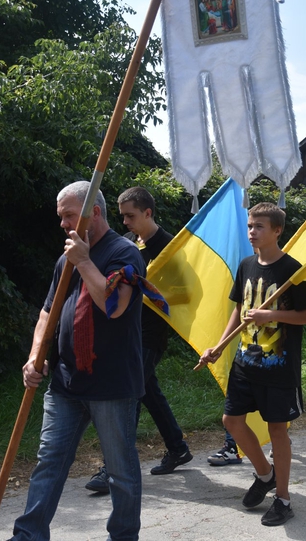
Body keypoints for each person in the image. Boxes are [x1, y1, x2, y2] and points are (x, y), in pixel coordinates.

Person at [9, 181, 153, 541]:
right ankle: (29, 535)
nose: (62, 224)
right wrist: (34, 356)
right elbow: (47, 313)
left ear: (95, 213)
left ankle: (122, 537)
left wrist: (85, 261)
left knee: (120, 470)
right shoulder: (66, 258)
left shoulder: (123, 254)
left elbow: (114, 306)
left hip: (112, 383)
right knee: (49, 462)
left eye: (69, 215)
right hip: (65, 380)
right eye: (61, 216)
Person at [199, 202, 306, 526]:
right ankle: (265, 475)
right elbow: (240, 309)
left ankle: (283, 499)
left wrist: (272, 315)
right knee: (232, 421)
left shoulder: (293, 272)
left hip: (279, 367)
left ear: (277, 231)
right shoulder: (246, 264)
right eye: (250, 226)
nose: (252, 232)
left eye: (259, 227)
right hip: (244, 362)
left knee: (277, 430)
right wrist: (219, 345)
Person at [83, 187, 192, 494]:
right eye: (122, 217)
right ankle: (178, 447)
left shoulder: (170, 247)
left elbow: (184, 293)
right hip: (127, 331)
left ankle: (112, 468)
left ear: (148, 213)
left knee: (126, 395)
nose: (126, 223)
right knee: (148, 391)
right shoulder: (128, 243)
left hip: (150, 334)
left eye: (131, 216)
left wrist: (148, 287)